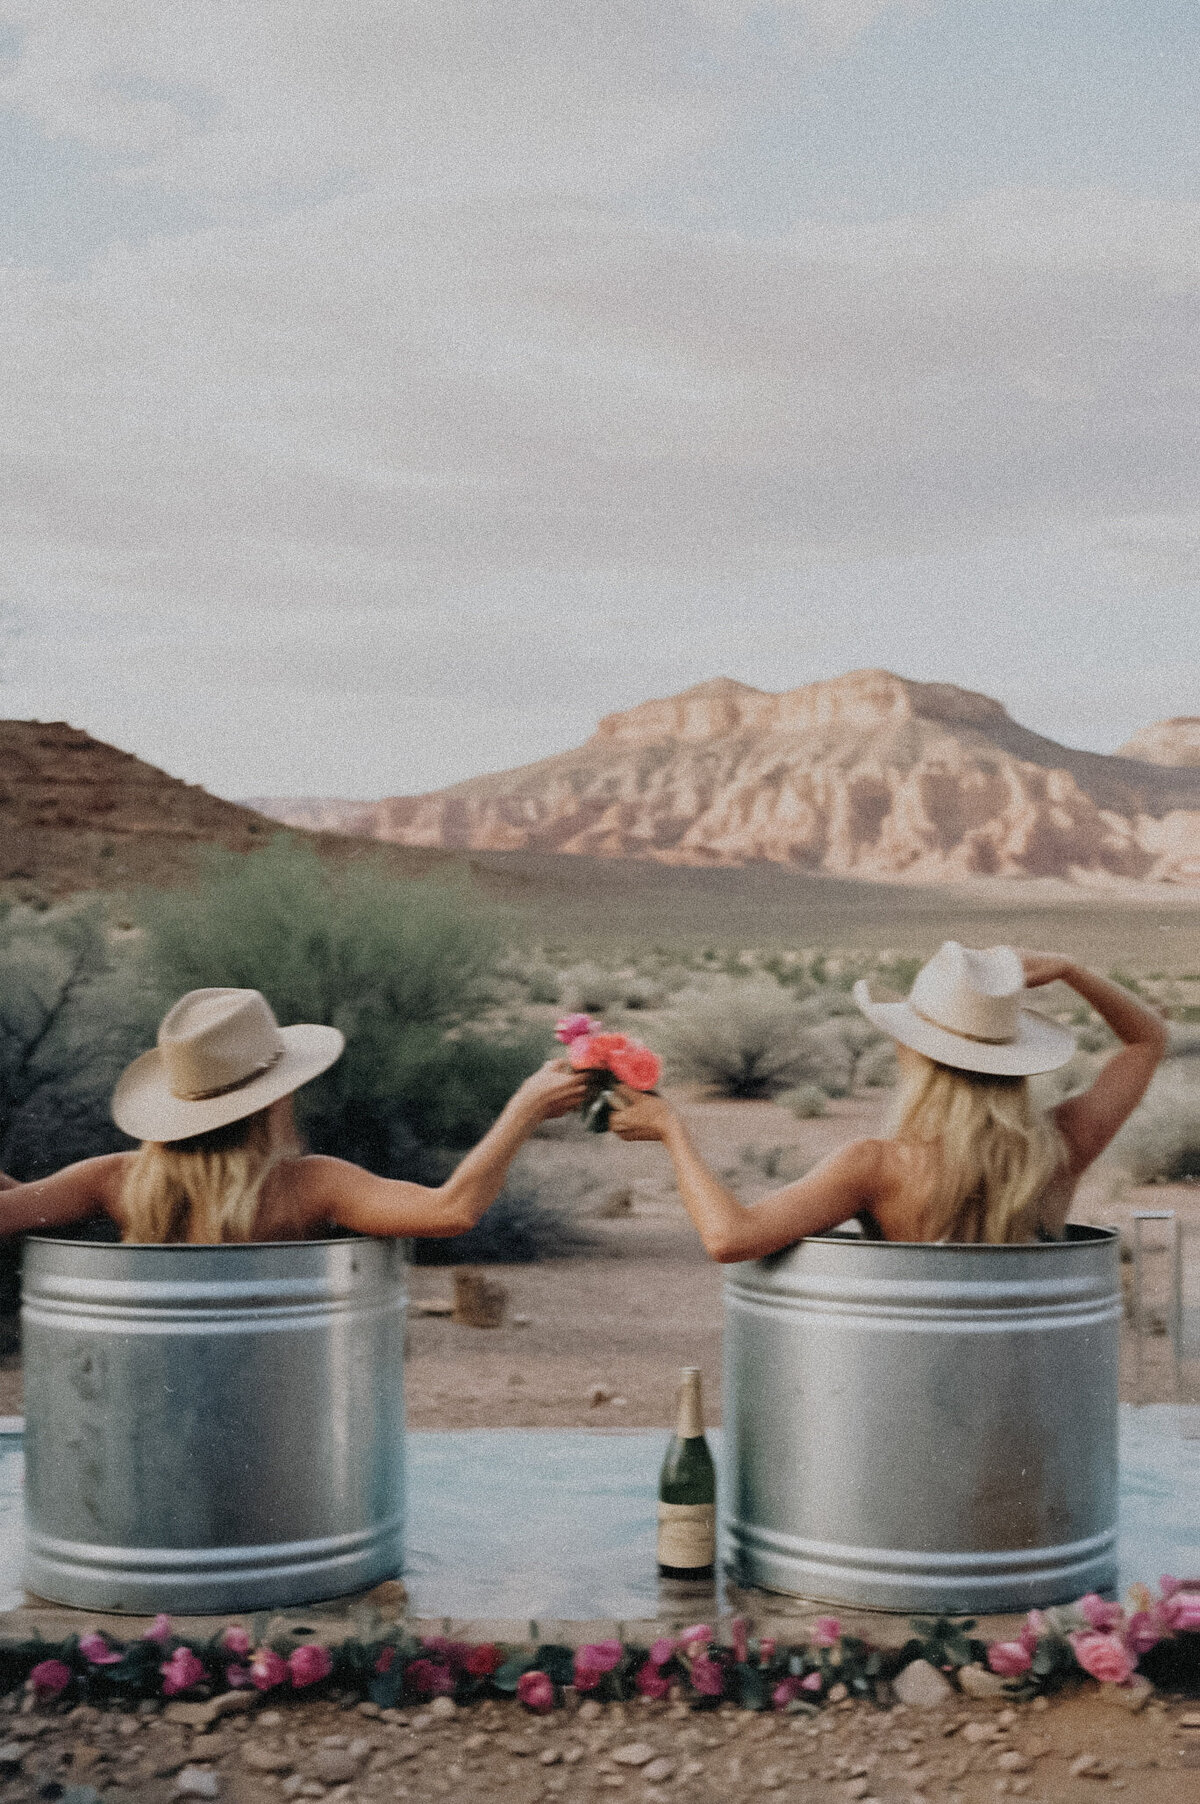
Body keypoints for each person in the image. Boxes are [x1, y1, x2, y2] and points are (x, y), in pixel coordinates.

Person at [609, 942, 1167, 1256]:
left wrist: (672, 1132)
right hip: (1025, 1400)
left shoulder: (876, 1165)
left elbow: (730, 1238)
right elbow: (1148, 1039)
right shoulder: (1064, 1142)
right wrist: (1074, 970)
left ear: (913, 1052)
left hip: (910, 1397)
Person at [0, 987, 587, 1243]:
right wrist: (524, 1109)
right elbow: (452, 1209)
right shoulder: (312, 1186)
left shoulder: (113, 1180)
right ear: (273, 1099)